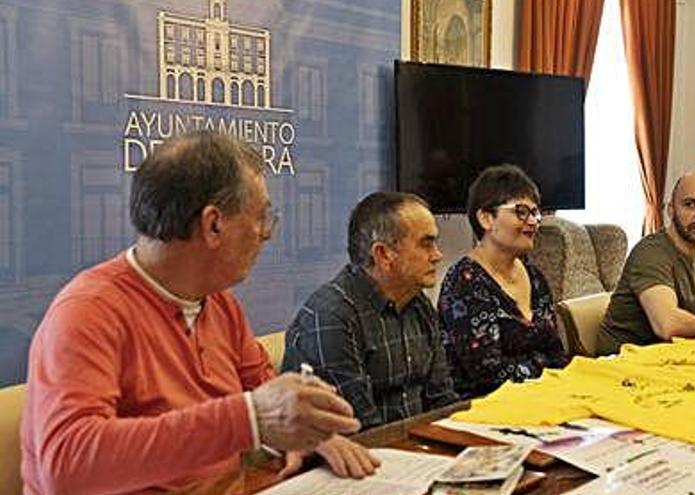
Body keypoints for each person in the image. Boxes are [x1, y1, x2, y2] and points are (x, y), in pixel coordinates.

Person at [21, 132, 373, 495]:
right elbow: (65, 466)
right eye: (262, 217)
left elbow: (262, 389)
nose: (266, 234)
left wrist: (301, 432)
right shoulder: (88, 312)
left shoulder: (220, 304)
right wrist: (252, 418)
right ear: (214, 224)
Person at [283, 192, 458, 429]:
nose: (438, 255)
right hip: (359, 454)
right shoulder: (332, 316)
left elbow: (442, 400)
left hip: (415, 451)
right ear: (383, 254)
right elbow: (358, 428)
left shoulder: (419, 304)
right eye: (426, 243)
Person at [438, 164, 569, 399]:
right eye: (521, 212)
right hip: (481, 409)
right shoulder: (464, 283)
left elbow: (558, 355)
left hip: (543, 398)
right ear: (486, 218)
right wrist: (543, 367)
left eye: (535, 212)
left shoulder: (535, 277)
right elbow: (487, 374)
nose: (533, 222)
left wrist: (543, 371)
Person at [596, 171, 695, 356]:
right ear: (670, 210)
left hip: (675, 354)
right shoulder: (651, 253)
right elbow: (667, 325)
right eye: (690, 204)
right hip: (624, 362)